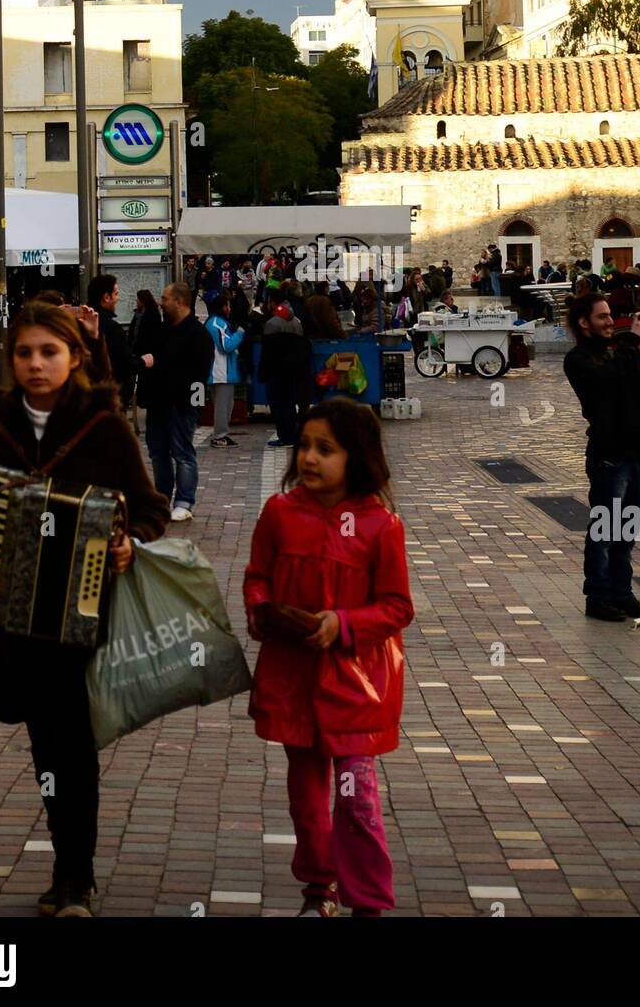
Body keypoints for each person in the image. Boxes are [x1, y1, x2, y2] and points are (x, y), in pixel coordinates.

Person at [0, 302, 169, 917]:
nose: (36, 364)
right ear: (10, 362)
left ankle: (75, 877)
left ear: (74, 357)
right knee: (41, 742)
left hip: (81, 610)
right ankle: (70, 867)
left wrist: (128, 543)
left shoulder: (105, 426)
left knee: (70, 748)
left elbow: (149, 508)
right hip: (13, 605)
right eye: (24, 353)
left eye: (49, 352)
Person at [243, 397, 413, 917]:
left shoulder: (381, 525)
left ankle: (368, 903)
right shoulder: (280, 513)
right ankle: (320, 891)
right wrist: (263, 613)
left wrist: (343, 624)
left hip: (357, 687)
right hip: (292, 682)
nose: (310, 459)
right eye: (305, 446)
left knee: (356, 799)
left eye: (326, 449)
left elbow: (397, 607)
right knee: (308, 802)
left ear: (356, 457)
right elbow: (257, 579)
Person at [563, 294, 640, 624]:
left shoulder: (616, 352)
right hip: (607, 457)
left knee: (626, 530)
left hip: (631, 454)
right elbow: (607, 382)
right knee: (603, 530)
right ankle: (598, 596)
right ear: (584, 322)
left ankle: (621, 592)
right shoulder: (578, 359)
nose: (610, 321)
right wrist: (630, 345)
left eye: (611, 315)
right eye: (602, 317)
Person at [139, 283, 213, 520]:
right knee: (158, 453)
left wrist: (194, 405)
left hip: (181, 404)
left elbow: (201, 374)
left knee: (182, 452)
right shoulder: (162, 330)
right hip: (157, 402)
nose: (161, 302)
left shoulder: (198, 335)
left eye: (165, 298)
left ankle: (184, 501)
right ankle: (162, 498)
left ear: (179, 301)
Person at [258, 292, 311, 447]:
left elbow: (268, 353)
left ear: (273, 303)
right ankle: (292, 435)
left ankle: (284, 436)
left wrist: (262, 372)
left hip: (276, 371)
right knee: (289, 403)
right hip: (292, 370)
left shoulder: (272, 323)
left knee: (278, 405)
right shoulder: (296, 321)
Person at [85, 275, 153, 394]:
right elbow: (125, 365)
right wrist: (143, 361)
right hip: (108, 394)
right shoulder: (112, 329)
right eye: (116, 293)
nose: (118, 298)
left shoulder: (78, 323)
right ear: (106, 297)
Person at [206, 293, 245, 448]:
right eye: (227, 306)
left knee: (225, 404)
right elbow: (226, 346)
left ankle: (221, 434)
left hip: (220, 371)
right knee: (223, 405)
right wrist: (239, 334)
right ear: (222, 307)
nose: (229, 309)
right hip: (221, 371)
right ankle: (220, 436)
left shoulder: (214, 322)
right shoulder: (217, 323)